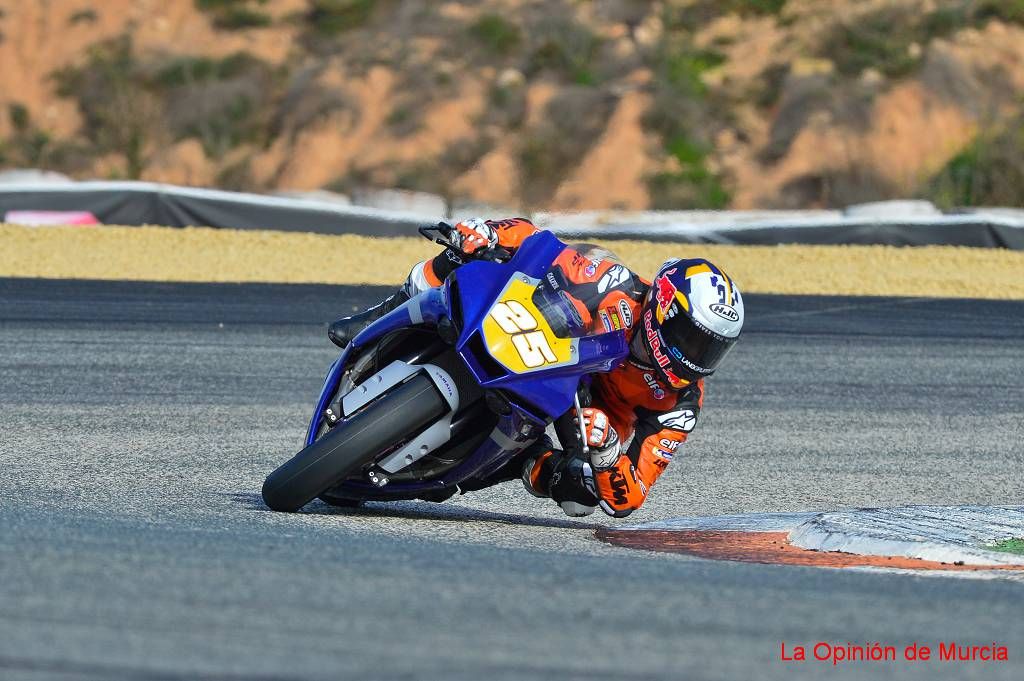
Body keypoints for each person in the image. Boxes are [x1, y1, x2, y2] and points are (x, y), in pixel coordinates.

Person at [328, 218, 744, 518]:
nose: (699, 358)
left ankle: (500, 463)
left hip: (583, 414)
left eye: (712, 349)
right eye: (695, 339)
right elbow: (538, 243)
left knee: (579, 497)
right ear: (664, 308)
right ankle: (387, 310)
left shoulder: (680, 401)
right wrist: (489, 233)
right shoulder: (612, 283)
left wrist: (607, 451)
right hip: (540, 346)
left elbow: (629, 498)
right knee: (465, 253)